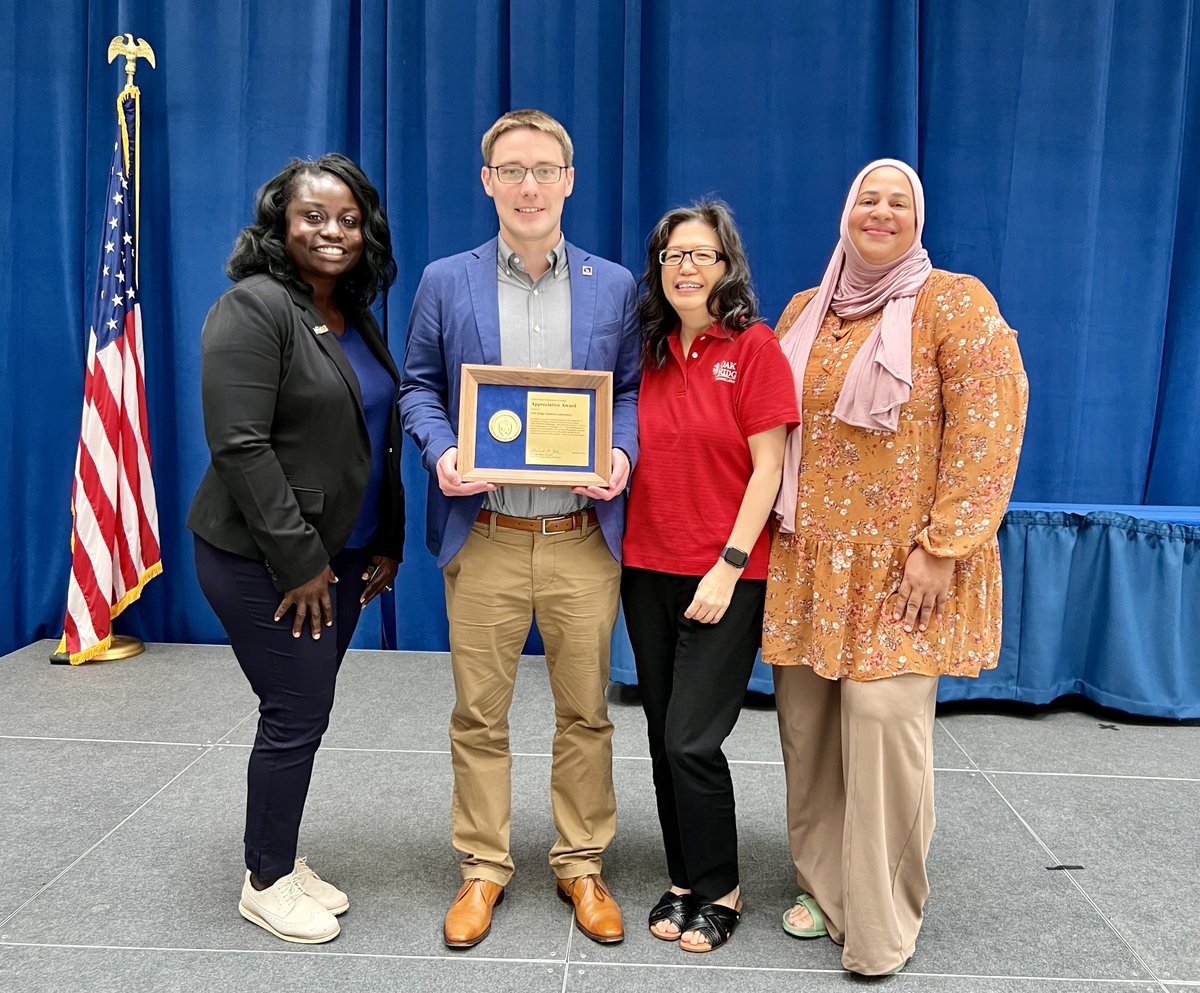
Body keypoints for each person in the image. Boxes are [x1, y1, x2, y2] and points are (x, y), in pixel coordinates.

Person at [764, 159, 1028, 975]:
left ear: (918, 219)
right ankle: (825, 886)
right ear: (846, 213)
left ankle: (880, 923)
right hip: (809, 556)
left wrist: (943, 549)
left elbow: (988, 429)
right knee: (809, 734)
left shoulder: (955, 302)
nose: (881, 212)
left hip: (904, 568)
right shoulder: (806, 310)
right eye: (867, 199)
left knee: (883, 732)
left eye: (898, 201)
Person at [399, 109, 640, 949]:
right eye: (512, 169)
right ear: (488, 181)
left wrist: (619, 447)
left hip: (582, 535)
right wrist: (440, 450)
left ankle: (580, 861)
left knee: (587, 713)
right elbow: (417, 388)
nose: (529, 185)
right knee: (479, 714)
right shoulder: (444, 281)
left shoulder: (614, 285)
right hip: (488, 531)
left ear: (570, 180)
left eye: (544, 169)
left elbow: (636, 391)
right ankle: (483, 867)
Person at [188, 154, 403, 944]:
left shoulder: (346, 310)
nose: (333, 231)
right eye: (314, 215)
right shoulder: (253, 307)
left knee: (301, 711)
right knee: (296, 709)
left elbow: (367, 434)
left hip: (341, 557)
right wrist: (302, 561)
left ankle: (277, 852)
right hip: (266, 561)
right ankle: (266, 878)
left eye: (349, 218)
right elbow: (240, 445)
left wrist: (386, 538)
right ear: (280, 221)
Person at [621, 201, 798, 952]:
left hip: (725, 572)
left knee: (694, 738)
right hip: (645, 566)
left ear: (727, 267)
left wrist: (729, 565)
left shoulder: (754, 348)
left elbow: (770, 468)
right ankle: (684, 878)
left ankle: (721, 884)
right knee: (664, 735)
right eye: (672, 256)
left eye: (701, 255)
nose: (685, 268)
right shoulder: (646, 350)